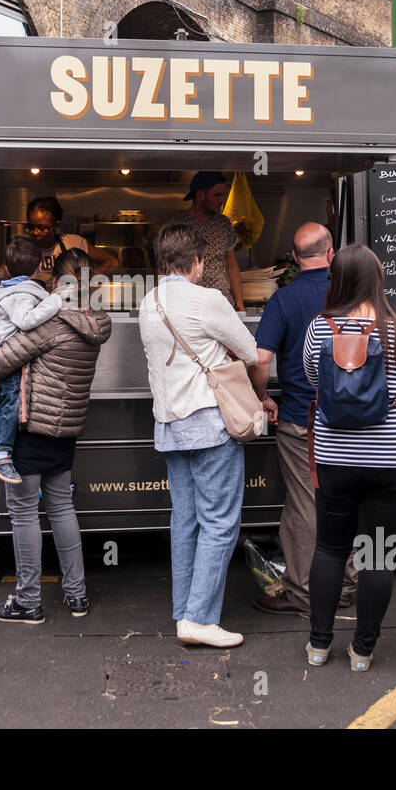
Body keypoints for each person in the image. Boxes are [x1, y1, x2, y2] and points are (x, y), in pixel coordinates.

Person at [301, 244, 396, 670]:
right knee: (378, 554)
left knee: (330, 549)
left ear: (337, 280)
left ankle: (318, 646)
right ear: (378, 279)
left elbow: (313, 378)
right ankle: (363, 651)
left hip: (335, 457)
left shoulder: (321, 328)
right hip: (390, 460)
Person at [139, 223, 258, 648]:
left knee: (184, 522)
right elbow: (248, 349)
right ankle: (201, 619)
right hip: (209, 423)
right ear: (197, 263)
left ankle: (185, 612)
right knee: (220, 523)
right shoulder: (208, 298)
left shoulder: (148, 301)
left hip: (170, 426)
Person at [0, 248, 111, 623]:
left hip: (32, 427)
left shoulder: (48, 325)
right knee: (62, 509)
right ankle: (77, 595)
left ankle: (28, 601)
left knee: (23, 514)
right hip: (66, 431)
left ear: (57, 283)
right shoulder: (95, 323)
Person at [250, 222, 357, 616]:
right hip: (353, 420)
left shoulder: (284, 299)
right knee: (343, 500)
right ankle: (346, 584)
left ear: (294, 259)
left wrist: (262, 397)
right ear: (331, 253)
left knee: (304, 506)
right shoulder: (353, 294)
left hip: (300, 420)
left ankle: (306, 594)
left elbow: (260, 359)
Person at [0, 236, 63, 484]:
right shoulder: (21, 294)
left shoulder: (4, 291)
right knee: (13, 403)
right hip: (14, 353)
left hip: (2, 351)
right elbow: (26, 321)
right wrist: (55, 300)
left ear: (7, 268)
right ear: (40, 267)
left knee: (4, 401)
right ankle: (1, 454)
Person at [167, 171, 246, 311]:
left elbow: (232, 266)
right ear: (200, 195)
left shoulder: (223, 224)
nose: (222, 200)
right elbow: (165, 269)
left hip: (222, 305)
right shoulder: (177, 224)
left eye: (223, 194)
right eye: (217, 195)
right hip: (188, 307)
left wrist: (240, 304)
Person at [23, 196, 117, 287]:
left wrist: (91, 278)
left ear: (56, 225)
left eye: (42, 228)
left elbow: (112, 262)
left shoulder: (74, 243)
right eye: (31, 227)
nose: (35, 232)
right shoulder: (22, 249)